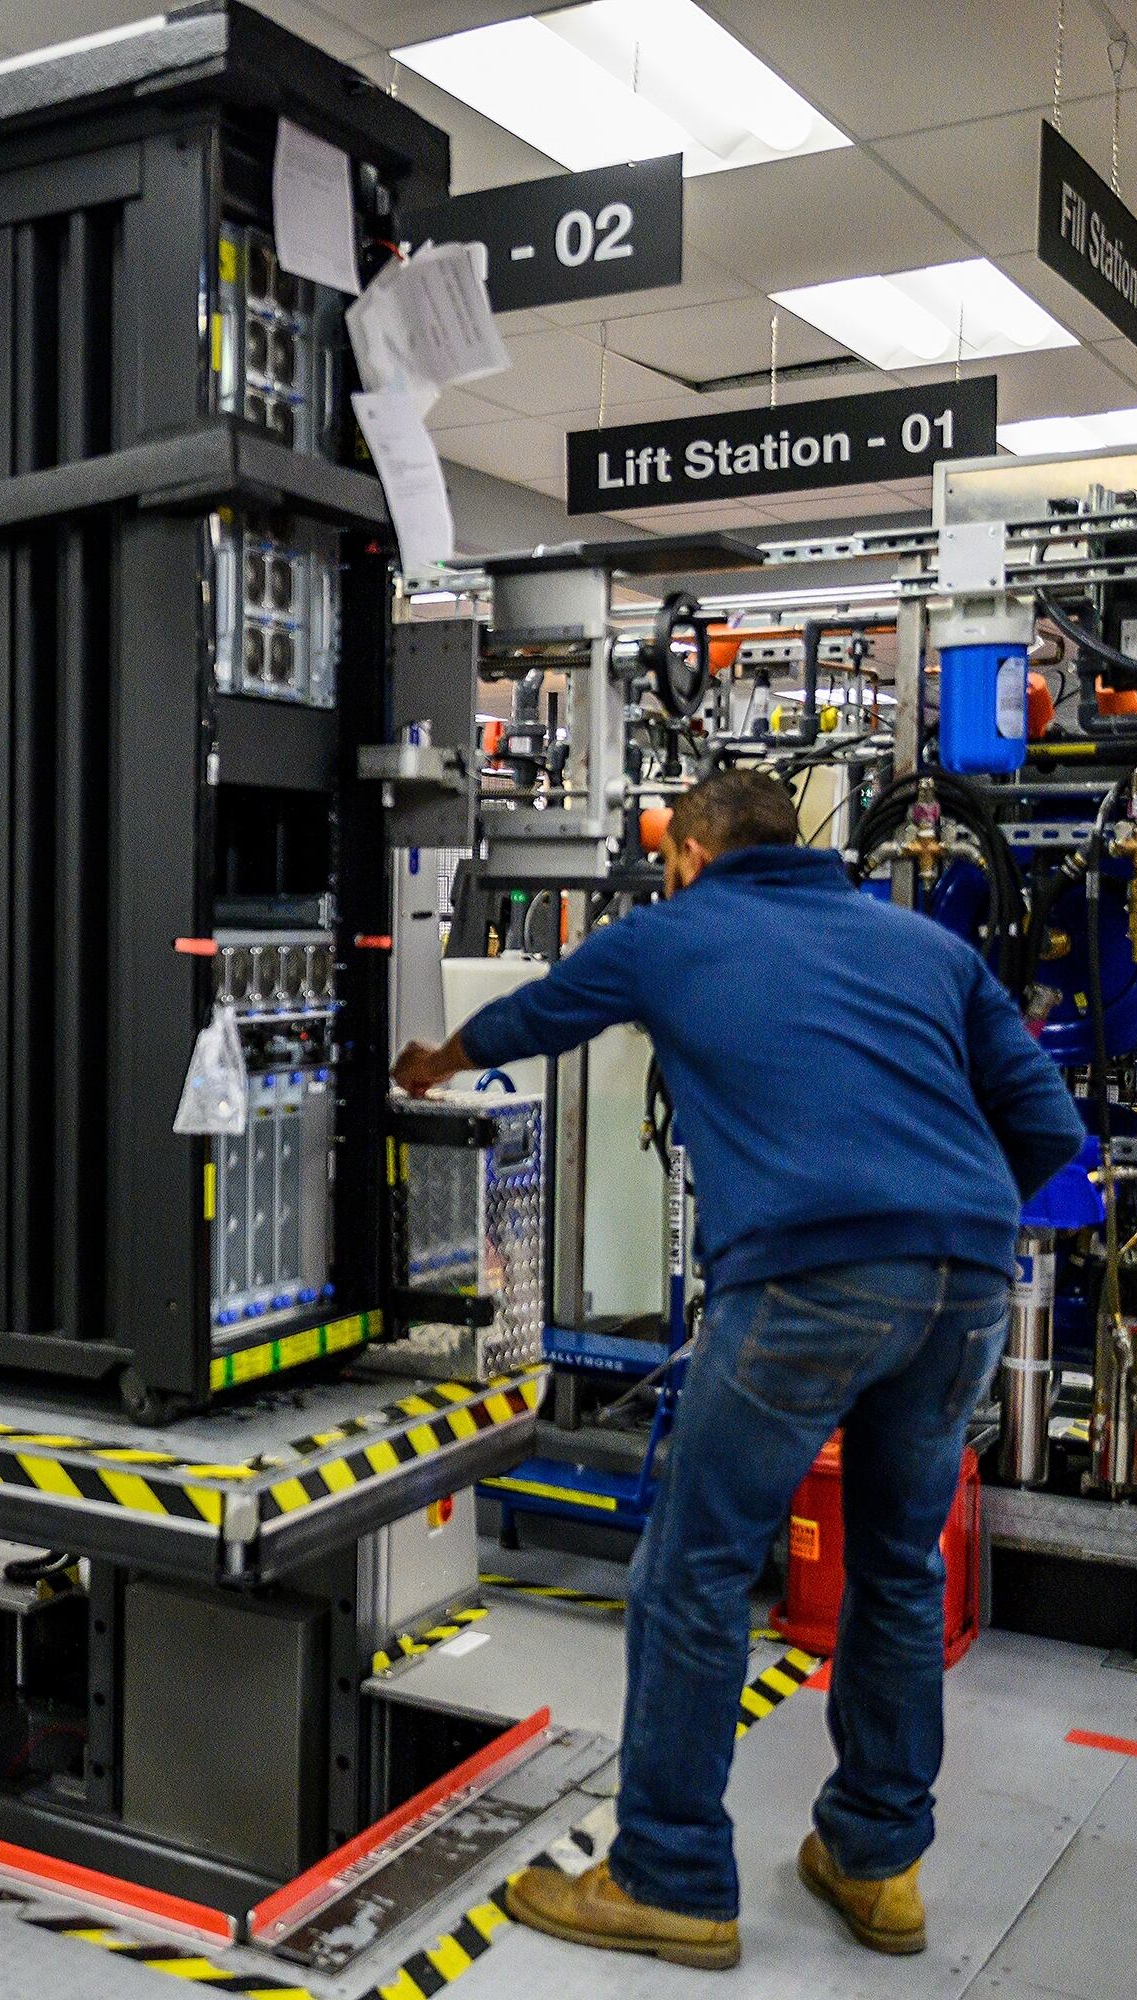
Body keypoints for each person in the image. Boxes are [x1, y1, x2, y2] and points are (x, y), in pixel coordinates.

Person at [393, 767, 1082, 1973]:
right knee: (896, 1569)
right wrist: (943, 1224)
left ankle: (668, 1876)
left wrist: (432, 1061)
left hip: (808, 1278)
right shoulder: (920, 944)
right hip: (970, 1275)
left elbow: (538, 1012)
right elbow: (1049, 1121)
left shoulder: (674, 931)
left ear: (693, 856)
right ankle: (879, 1863)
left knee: (694, 1572)